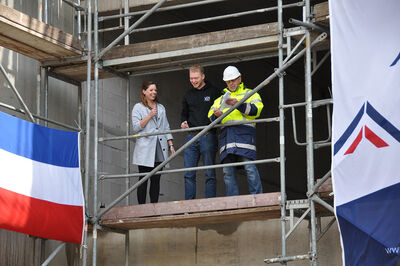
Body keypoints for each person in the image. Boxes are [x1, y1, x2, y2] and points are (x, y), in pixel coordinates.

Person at [208, 66, 263, 196]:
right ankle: (233, 199)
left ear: (240, 78)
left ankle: (257, 196)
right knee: (227, 171)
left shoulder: (251, 93)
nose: (231, 83)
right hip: (226, 138)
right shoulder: (220, 99)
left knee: (249, 167)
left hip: (244, 136)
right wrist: (216, 115)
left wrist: (238, 104)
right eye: (228, 81)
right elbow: (210, 120)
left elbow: (256, 111)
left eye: (233, 80)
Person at [181, 65, 221, 199]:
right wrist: (183, 122)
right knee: (188, 173)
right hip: (191, 136)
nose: (193, 81)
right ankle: (189, 203)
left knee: (209, 172)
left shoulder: (214, 92)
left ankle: (209, 202)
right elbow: (184, 114)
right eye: (191, 78)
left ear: (203, 76)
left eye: (196, 78)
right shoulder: (188, 94)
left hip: (208, 135)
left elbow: (222, 112)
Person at [132, 81, 175, 204]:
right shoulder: (138, 107)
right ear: (144, 91)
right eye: (151, 90)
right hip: (145, 148)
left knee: (156, 179)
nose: (154, 92)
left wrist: (170, 144)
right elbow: (136, 128)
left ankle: (154, 206)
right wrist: (150, 115)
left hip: (159, 147)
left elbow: (166, 127)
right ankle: (141, 207)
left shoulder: (161, 107)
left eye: (155, 90)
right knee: (143, 178)